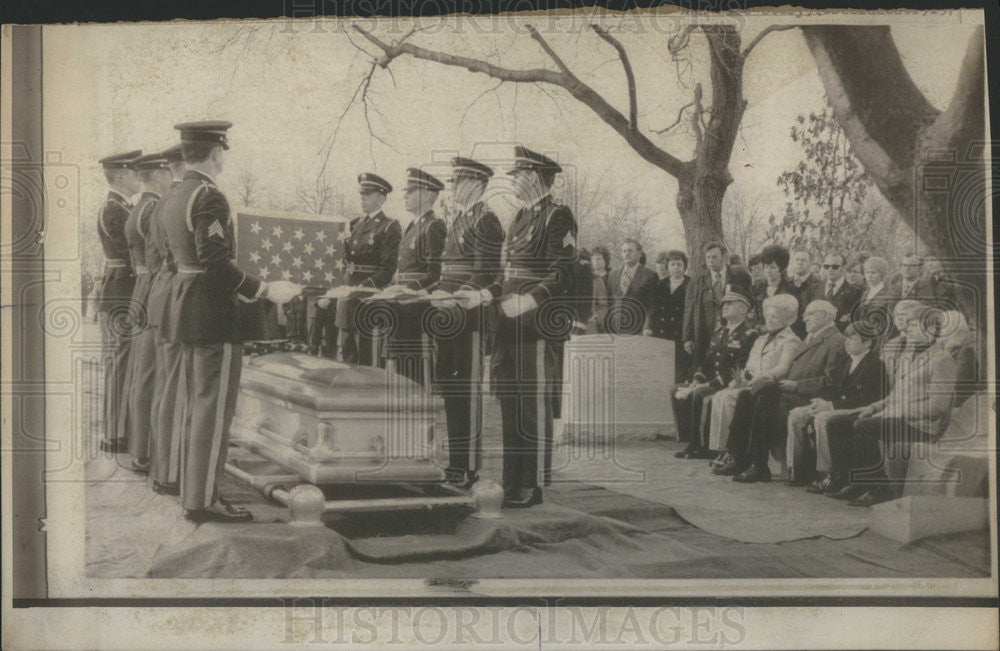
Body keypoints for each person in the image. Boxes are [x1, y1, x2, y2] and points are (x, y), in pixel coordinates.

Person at [161, 120, 301, 522]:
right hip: (212, 315)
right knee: (213, 410)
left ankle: (193, 493)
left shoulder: (175, 195)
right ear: (217, 152)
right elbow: (216, 261)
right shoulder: (208, 196)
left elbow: (178, 261)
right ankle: (203, 500)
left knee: (196, 406)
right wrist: (264, 290)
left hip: (186, 308)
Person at [484, 145, 577, 508]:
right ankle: (511, 481)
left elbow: (564, 269)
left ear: (537, 177)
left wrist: (532, 298)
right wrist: (486, 295)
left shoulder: (558, 215)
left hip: (535, 325)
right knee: (510, 403)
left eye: (519, 174)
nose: (514, 180)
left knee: (532, 405)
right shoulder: (520, 217)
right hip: (508, 323)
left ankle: (532, 483)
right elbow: (507, 273)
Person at [837, 305, 958, 506]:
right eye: (907, 324)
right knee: (850, 421)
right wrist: (874, 408)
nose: (907, 329)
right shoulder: (908, 356)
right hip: (900, 418)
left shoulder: (942, 361)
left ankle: (879, 489)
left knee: (863, 426)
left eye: (913, 325)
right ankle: (865, 483)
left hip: (920, 426)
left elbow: (938, 406)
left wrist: (899, 412)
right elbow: (894, 396)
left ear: (930, 329)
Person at [718, 299, 846, 483]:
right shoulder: (811, 337)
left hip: (810, 397)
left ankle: (759, 464)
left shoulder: (836, 341)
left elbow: (831, 381)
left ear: (825, 316)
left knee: (765, 398)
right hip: (794, 393)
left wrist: (796, 386)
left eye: (810, 314)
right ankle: (739, 457)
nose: (804, 318)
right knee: (747, 395)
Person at [434, 157, 504, 488]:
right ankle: (456, 462)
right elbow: (446, 270)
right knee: (451, 388)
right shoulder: (459, 220)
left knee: (468, 390)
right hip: (448, 314)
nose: (453, 188)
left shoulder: (486, 221)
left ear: (475, 183)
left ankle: (470, 465)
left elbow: (485, 272)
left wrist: (457, 295)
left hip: (471, 315)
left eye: (457, 181)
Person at [785, 322, 888, 495]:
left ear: (867, 343)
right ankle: (797, 469)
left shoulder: (875, 365)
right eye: (847, 338)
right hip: (838, 404)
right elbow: (833, 387)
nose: (847, 342)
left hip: (862, 408)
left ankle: (829, 473)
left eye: (853, 339)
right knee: (797, 414)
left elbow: (864, 398)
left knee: (822, 418)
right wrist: (822, 401)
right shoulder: (846, 360)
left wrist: (831, 405)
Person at [121, 151, 173, 474]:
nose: (170, 178)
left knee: (142, 373)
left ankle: (137, 446)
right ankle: (144, 450)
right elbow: (159, 258)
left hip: (140, 290)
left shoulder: (136, 209)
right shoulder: (153, 207)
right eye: (166, 173)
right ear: (155, 176)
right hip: (154, 287)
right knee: (151, 374)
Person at [709, 293, 801, 473]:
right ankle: (729, 452)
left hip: (770, 388)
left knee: (731, 399)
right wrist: (742, 378)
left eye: (776, 316)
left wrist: (758, 379)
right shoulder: (760, 339)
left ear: (788, 319)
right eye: (768, 315)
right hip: (753, 384)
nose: (771, 320)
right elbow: (750, 365)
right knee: (724, 395)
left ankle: (735, 453)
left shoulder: (791, 340)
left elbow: (782, 368)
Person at [672, 280, 757, 459]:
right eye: (724, 303)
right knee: (676, 390)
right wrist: (697, 379)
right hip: (713, 380)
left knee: (699, 395)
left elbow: (740, 368)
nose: (724, 307)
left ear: (743, 309)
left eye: (730, 304)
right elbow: (708, 361)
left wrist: (704, 385)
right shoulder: (720, 332)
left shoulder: (749, 335)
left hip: (729, 383)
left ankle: (702, 446)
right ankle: (691, 440)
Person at [380, 168, 447, 386]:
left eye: (411, 191)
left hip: (417, 309)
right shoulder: (413, 225)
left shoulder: (434, 226)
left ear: (427, 195)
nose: (405, 196)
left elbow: (434, 273)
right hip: (402, 306)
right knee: (402, 367)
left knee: (415, 369)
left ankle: (418, 412)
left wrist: (409, 290)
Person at [96, 149, 142, 453]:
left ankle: (117, 432)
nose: (138, 177)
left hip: (118, 292)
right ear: (123, 175)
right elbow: (129, 255)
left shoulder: (119, 208)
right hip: (121, 295)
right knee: (119, 365)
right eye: (134, 172)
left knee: (120, 365)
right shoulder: (116, 211)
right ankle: (114, 434)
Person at [146, 143, 185, 495]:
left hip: (162, 292)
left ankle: (161, 468)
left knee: (165, 387)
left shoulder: (161, 203)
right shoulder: (179, 201)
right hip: (176, 295)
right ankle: (169, 473)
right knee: (174, 389)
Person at [336, 173, 402, 365]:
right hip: (349, 295)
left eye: (368, 194)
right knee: (348, 355)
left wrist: (364, 287)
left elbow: (388, 269)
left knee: (369, 359)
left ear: (381, 198)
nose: (362, 198)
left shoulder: (389, 226)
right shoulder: (355, 224)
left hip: (369, 298)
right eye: (361, 194)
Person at [682, 241, 736, 372]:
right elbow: (689, 308)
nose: (711, 261)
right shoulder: (698, 280)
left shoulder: (737, 276)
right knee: (705, 368)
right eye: (708, 257)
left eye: (714, 257)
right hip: (705, 332)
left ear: (723, 257)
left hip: (731, 332)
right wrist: (687, 337)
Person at [648, 250, 691, 382]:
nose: (676, 268)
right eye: (673, 264)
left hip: (680, 334)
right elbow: (654, 309)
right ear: (668, 267)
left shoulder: (691, 285)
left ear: (684, 266)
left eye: (679, 264)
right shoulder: (660, 285)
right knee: (660, 369)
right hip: (661, 332)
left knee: (679, 371)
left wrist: (689, 336)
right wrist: (649, 327)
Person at [607, 239, 657, 335]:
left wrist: (648, 327)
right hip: (616, 328)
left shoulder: (649, 275)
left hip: (639, 328)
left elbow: (652, 305)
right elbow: (610, 301)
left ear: (639, 254)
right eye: (624, 251)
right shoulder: (613, 274)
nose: (626, 254)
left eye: (630, 251)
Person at [853, 255, 898, 346]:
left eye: (874, 272)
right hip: (865, 339)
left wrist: (884, 343)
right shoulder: (866, 293)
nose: (869, 276)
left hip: (880, 339)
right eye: (867, 272)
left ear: (881, 274)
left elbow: (891, 323)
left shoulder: (890, 294)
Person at [752, 244, 796, 331]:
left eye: (772, 267)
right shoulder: (758, 289)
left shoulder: (790, 289)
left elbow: (794, 319)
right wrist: (759, 327)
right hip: (761, 335)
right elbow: (753, 316)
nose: (768, 271)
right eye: (766, 267)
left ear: (782, 268)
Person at [818, 251, 862, 332]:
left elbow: (855, 321)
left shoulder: (856, 293)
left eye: (835, 267)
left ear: (843, 268)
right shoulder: (815, 288)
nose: (830, 269)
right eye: (827, 266)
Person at [788, 248, 823, 327]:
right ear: (792, 262)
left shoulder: (818, 284)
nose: (799, 262)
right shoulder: (786, 283)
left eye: (803, 260)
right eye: (797, 260)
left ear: (810, 263)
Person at [587, 246, 611, 333]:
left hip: (608, 312)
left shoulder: (612, 275)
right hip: (592, 314)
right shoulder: (588, 276)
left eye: (599, 259)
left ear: (605, 260)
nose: (595, 262)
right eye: (593, 259)